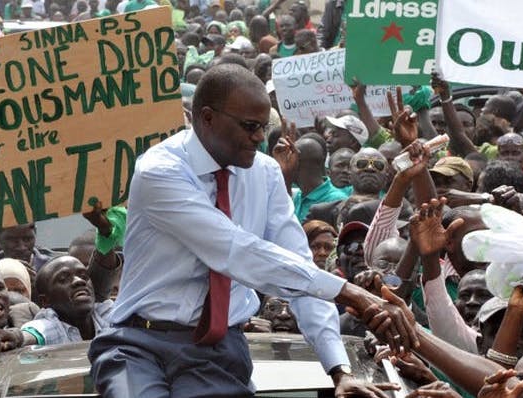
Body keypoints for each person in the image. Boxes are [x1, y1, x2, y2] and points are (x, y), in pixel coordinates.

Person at [88, 64, 411, 397]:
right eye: (249, 126)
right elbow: (234, 250)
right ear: (207, 118)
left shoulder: (266, 174)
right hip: (140, 345)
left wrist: (339, 370)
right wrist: (350, 292)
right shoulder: (159, 170)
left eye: (263, 126)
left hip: (218, 353)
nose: (259, 137)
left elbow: (296, 266)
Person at [19, 256, 115, 346]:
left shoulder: (105, 313)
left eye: (84, 276)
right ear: (45, 300)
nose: (79, 281)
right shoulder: (51, 324)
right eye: (63, 279)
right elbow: (37, 332)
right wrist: (18, 337)